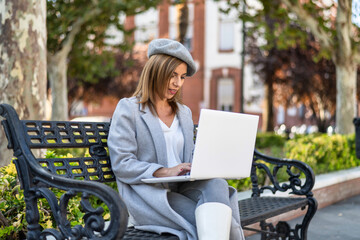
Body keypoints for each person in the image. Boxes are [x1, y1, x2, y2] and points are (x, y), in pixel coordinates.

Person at [108, 38, 245, 240]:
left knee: (217, 184)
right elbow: (122, 163)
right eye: (172, 75)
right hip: (152, 195)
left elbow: (188, 155)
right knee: (218, 224)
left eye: (182, 77)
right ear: (155, 71)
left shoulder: (184, 113)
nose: (177, 83)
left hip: (183, 187)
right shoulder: (129, 109)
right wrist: (163, 171)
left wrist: (209, 159)